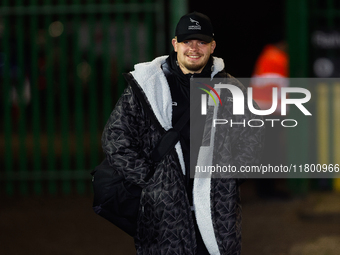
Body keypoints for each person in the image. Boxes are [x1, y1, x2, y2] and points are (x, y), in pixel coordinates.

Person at [101, 12, 264, 255]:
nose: (194, 48)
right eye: (187, 41)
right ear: (175, 44)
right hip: (162, 211)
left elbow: (255, 136)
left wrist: (227, 178)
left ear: (212, 46)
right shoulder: (147, 87)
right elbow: (115, 137)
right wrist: (151, 179)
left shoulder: (230, 88)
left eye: (201, 41)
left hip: (216, 209)